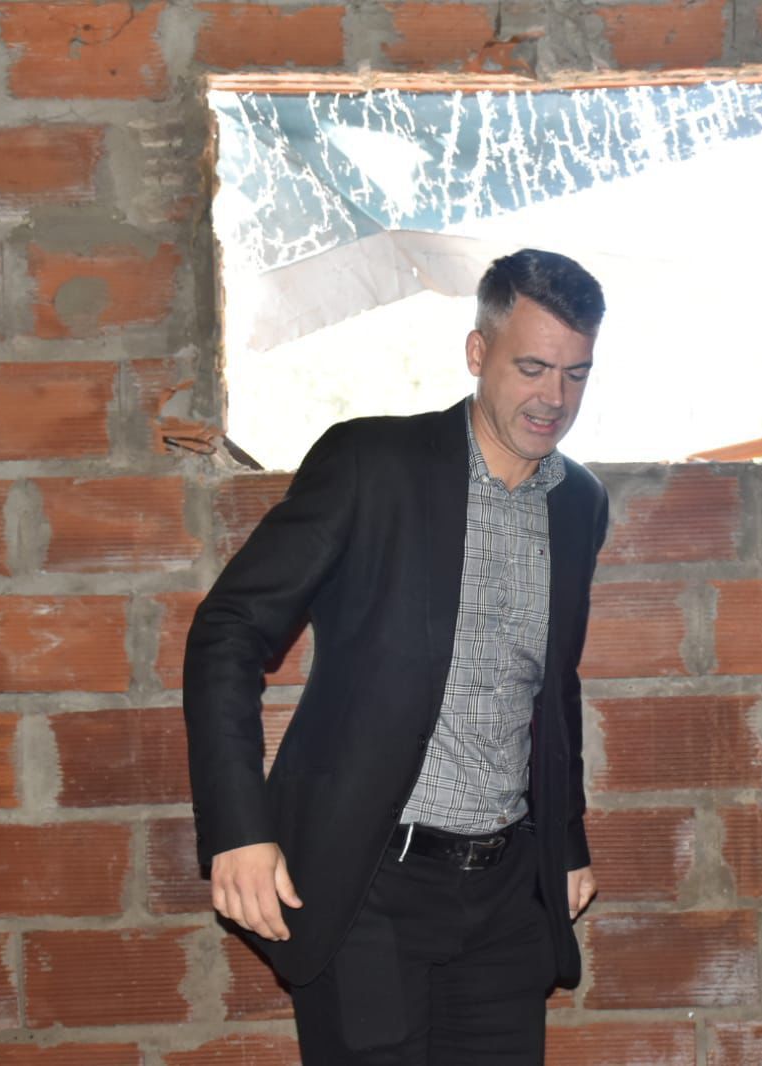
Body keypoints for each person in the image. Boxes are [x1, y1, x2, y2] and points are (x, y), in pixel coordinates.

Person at [182, 248, 608, 1065]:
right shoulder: (371, 465)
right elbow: (227, 631)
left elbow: (551, 687)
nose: (554, 398)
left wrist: (566, 842)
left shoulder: (579, 503)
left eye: (575, 374)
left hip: (507, 895)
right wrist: (238, 830)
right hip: (368, 883)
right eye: (531, 368)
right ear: (477, 352)